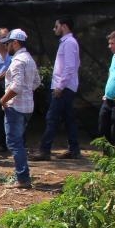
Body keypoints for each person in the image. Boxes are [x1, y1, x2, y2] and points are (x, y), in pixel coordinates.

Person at [0, 29, 41, 189]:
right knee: (19, 142)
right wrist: (27, 94)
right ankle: (23, 176)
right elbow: (36, 82)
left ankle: (23, 178)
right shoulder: (28, 59)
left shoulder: (17, 61)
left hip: (15, 107)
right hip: (27, 106)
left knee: (14, 143)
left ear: (15, 43)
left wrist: (3, 100)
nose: (6, 46)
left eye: (8, 43)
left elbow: (16, 86)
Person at [35, 17, 82, 160]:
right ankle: (74, 149)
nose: (54, 29)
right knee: (68, 118)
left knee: (52, 118)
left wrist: (60, 86)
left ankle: (44, 150)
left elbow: (70, 66)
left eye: (56, 26)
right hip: (66, 86)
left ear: (64, 26)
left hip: (64, 87)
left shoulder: (69, 43)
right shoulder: (68, 43)